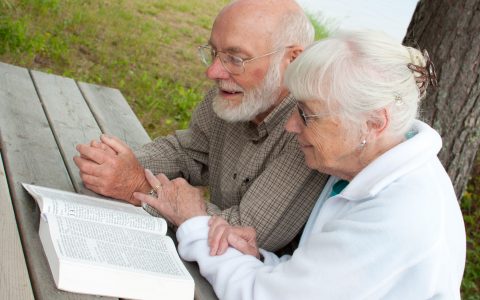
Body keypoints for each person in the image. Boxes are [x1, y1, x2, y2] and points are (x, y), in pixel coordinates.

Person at [134, 30, 467, 299]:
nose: (291, 125)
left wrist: (194, 223)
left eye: (307, 114)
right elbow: (318, 282)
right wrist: (258, 259)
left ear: (374, 123)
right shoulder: (363, 171)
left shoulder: (398, 217)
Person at [73, 0, 328, 252]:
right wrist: (116, 163)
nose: (214, 72)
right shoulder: (237, 94)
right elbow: (186, 152)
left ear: (293, 60)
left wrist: (139, 186)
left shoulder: (311, 130)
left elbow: (245, 235)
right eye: (213, 53)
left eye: (235, 58)